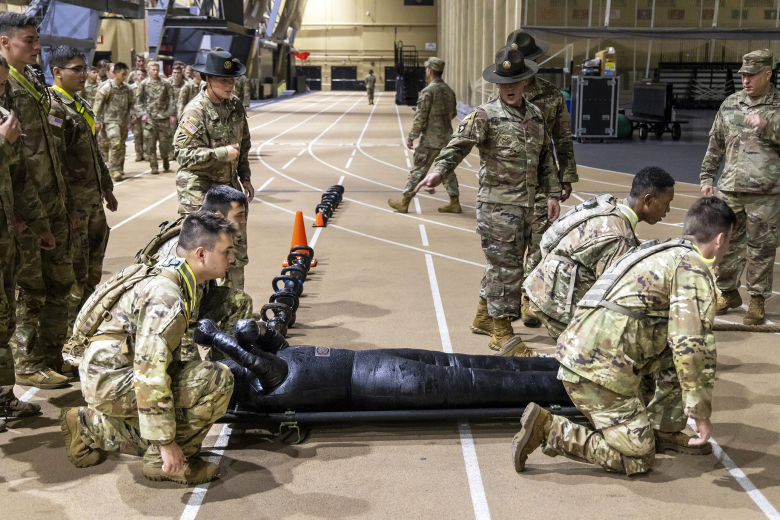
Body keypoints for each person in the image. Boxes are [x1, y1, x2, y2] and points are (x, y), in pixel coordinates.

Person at [512, 197, 736, 476]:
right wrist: (700, 414)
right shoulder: (692, 267)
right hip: (597, 372)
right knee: (639, 458)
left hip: (580, 353)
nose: (728, 248)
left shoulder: (659, 251)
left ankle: (663, 428)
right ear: (719, 239)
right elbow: (691, 346)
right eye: (729, 241)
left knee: (672, 356)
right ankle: (550, 430)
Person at [61, 211, 237, 485]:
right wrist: (165, 441)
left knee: (193, 377)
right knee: (216, 380)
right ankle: (163, 461)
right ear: (201, 254)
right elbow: (149, 373)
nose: (232, 258)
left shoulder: (179, 273)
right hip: (110, 379)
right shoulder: (166, 297)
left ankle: (88, 424)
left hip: (114, 369)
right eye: (226, 252)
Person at [415, 46, 561, 356]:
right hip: (496, 208)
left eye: (515, 82)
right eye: (503, 83)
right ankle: (502, 334)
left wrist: (552, 194)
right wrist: (439, 172)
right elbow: (457, 146)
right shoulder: (485, 114)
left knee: (502, 266)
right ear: (496, 84)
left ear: (525, 82)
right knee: (508, 269)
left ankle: (483, 317)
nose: (509, 88)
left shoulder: (535, 116)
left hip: (526, 206)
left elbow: (546, 160)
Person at [195, 318, 571, 414]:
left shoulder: (269, 367)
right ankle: (572, 385)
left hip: (377, 361)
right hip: (382, 381)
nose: (230, 364)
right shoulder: (265, 387)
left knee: (472, 363)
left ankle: (561, 366)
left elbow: (275, 344)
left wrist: (257, 330)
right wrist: (215, 337)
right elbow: (248, 357)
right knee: (476, 382)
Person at [0, 13, 75, 388]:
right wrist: (21, 214)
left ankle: (51, 354)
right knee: (30, 288)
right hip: (23, 208)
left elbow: (46, 149)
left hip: (50, 200)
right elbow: (15, 163)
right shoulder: (5, 88)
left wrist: (64, 202)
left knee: (59, 282)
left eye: (36, 39)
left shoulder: (30, 80)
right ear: (5, 42)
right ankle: (29, 362)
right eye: (28, 40)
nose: (36, 46)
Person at [521, 167, 675, 342]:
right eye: (666, 203)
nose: (668, 209)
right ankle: (568, 333)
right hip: (555, 303)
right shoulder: (619, 236)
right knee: (625, 340)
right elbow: (615, 295)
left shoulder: (608, 204)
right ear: (647, 200)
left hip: (545, 286)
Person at [497, 30, 579, 327]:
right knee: (509, 245)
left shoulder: (552, 96)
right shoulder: (501, 94)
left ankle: (530, 299)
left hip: (543, 181)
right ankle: (498, 302)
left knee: (540, 241)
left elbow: (562, 138)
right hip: (510, 182)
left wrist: (566, 176)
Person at [700, 49, 780, 326]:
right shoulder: (730, 103)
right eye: (743, 75)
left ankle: (757, 299)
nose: (745, 80)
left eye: (752, 75)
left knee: (761, 248)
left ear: (767, 74)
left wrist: (767, 125)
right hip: (730, 188)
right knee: (724, 243)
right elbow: (716, 144)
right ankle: (728, 292)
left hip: (766, 193)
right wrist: (707, 178)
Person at [0, 55, 56, 430]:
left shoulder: (4, 117)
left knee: (4, 318)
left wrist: (40, 224)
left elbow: (19, 178)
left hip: (6, 236)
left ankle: (3, 397)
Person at [47, 46, 119, 334]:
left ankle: (83, 325)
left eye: (84, 68)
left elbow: (94, 151)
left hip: (92, 201)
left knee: (92, 269)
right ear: (57, 72)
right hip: (74, 205)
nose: (83, 74)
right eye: (76, 69)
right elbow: (56, 164)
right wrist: (68, 208)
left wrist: (107, 186)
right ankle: (68, 333)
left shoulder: (81, 105)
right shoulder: (54, 109)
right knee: (75, 272)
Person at [174, 50, 253, 290]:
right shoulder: (195, 112)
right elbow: (183, 155)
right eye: (222, 80)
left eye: (232, 80)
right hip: (199, 191)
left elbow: (244, 144)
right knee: (202, 257)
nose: (229, 85)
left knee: (235, 251)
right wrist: (220, 153)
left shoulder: (235, 106)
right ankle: (198, 305)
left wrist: (245, 177)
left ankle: (234, 303)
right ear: (207, 79)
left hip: (228, 189)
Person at [387, 57, 458, 214]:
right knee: (446, 170)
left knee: (418, 170)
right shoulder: (449, 91)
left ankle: (404, 202)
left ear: (430, 70)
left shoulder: (428, 91)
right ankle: (455, 202)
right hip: (447, 138)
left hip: (430, 140)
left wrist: (412, 136)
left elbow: (420, 116)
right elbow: (453, 113)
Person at [93, 61, 134, 182]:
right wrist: (97, 120)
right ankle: (114, 170)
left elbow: (131, 104)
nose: (125, 77)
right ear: (116, 73)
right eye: (123, 74)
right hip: (110, 121)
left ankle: (119, 168)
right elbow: (97, 105)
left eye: (126, 74)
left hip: (123, 121)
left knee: (121, 145)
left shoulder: (127, 89)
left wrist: (133, 116)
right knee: (115, 143)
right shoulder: (107, 87)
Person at [135, 60, 176, 174]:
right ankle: (154, 166)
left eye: (157, 69)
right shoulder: (143, 84)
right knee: (150, 143)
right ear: (148, 70)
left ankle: (165, 158)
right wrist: (143, 114)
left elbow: (171, 99)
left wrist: (171, 113)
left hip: (163, 118)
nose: (155, 72)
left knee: (164, 144)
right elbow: (138, 101)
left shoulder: (166, 83)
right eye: (153, 70)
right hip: (150, 119)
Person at [128, 67, 146, 162]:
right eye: (138, 74)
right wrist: (132, 114)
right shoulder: (131, 88)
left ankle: (147, 153)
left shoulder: (147, 86)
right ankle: (139, 154)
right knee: (137, 135)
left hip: (145, 114)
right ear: (135, 76)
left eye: (142, 75)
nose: (140, 76)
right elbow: (130, 103)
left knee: (147, 135)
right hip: (136, 114)